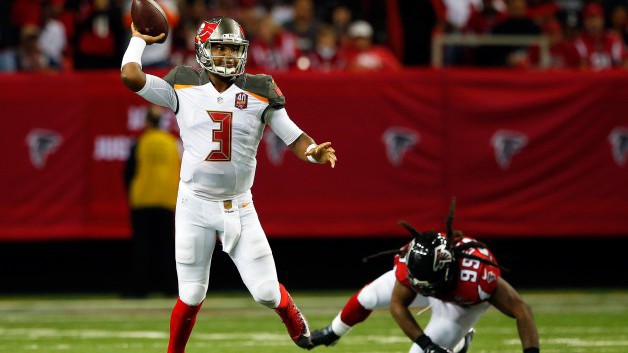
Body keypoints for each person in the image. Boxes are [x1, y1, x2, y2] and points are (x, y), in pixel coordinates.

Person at [119, 16, 337, 352]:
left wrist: (312, 153)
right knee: (191, 293)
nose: (226, 56)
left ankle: (293, 320)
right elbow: (130, 76)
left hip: (239, 204)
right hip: (193, 202)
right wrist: (139, 41)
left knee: (265, 291)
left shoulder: (260, 89)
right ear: (203, 49)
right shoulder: (183, 83)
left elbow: (294, 137)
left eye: (232, 49)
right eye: (219, 47)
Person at [311, 201, 539, 353]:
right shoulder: (413, 260)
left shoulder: (476, 277)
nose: (418, 285)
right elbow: (397, 305)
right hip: (441, 285)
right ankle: (333, 332)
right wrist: (427, 344)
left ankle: (458, 343)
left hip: (459, 305)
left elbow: (522, 310)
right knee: (369, 296)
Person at [123, 105, 181, 298]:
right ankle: (171, 288)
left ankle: (138, 290)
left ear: (147, 122)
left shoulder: (141, 142)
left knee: (142, 248)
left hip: (143, 200)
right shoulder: (172, 143)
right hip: (166, 200)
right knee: (166, 247)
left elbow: (128, 172)